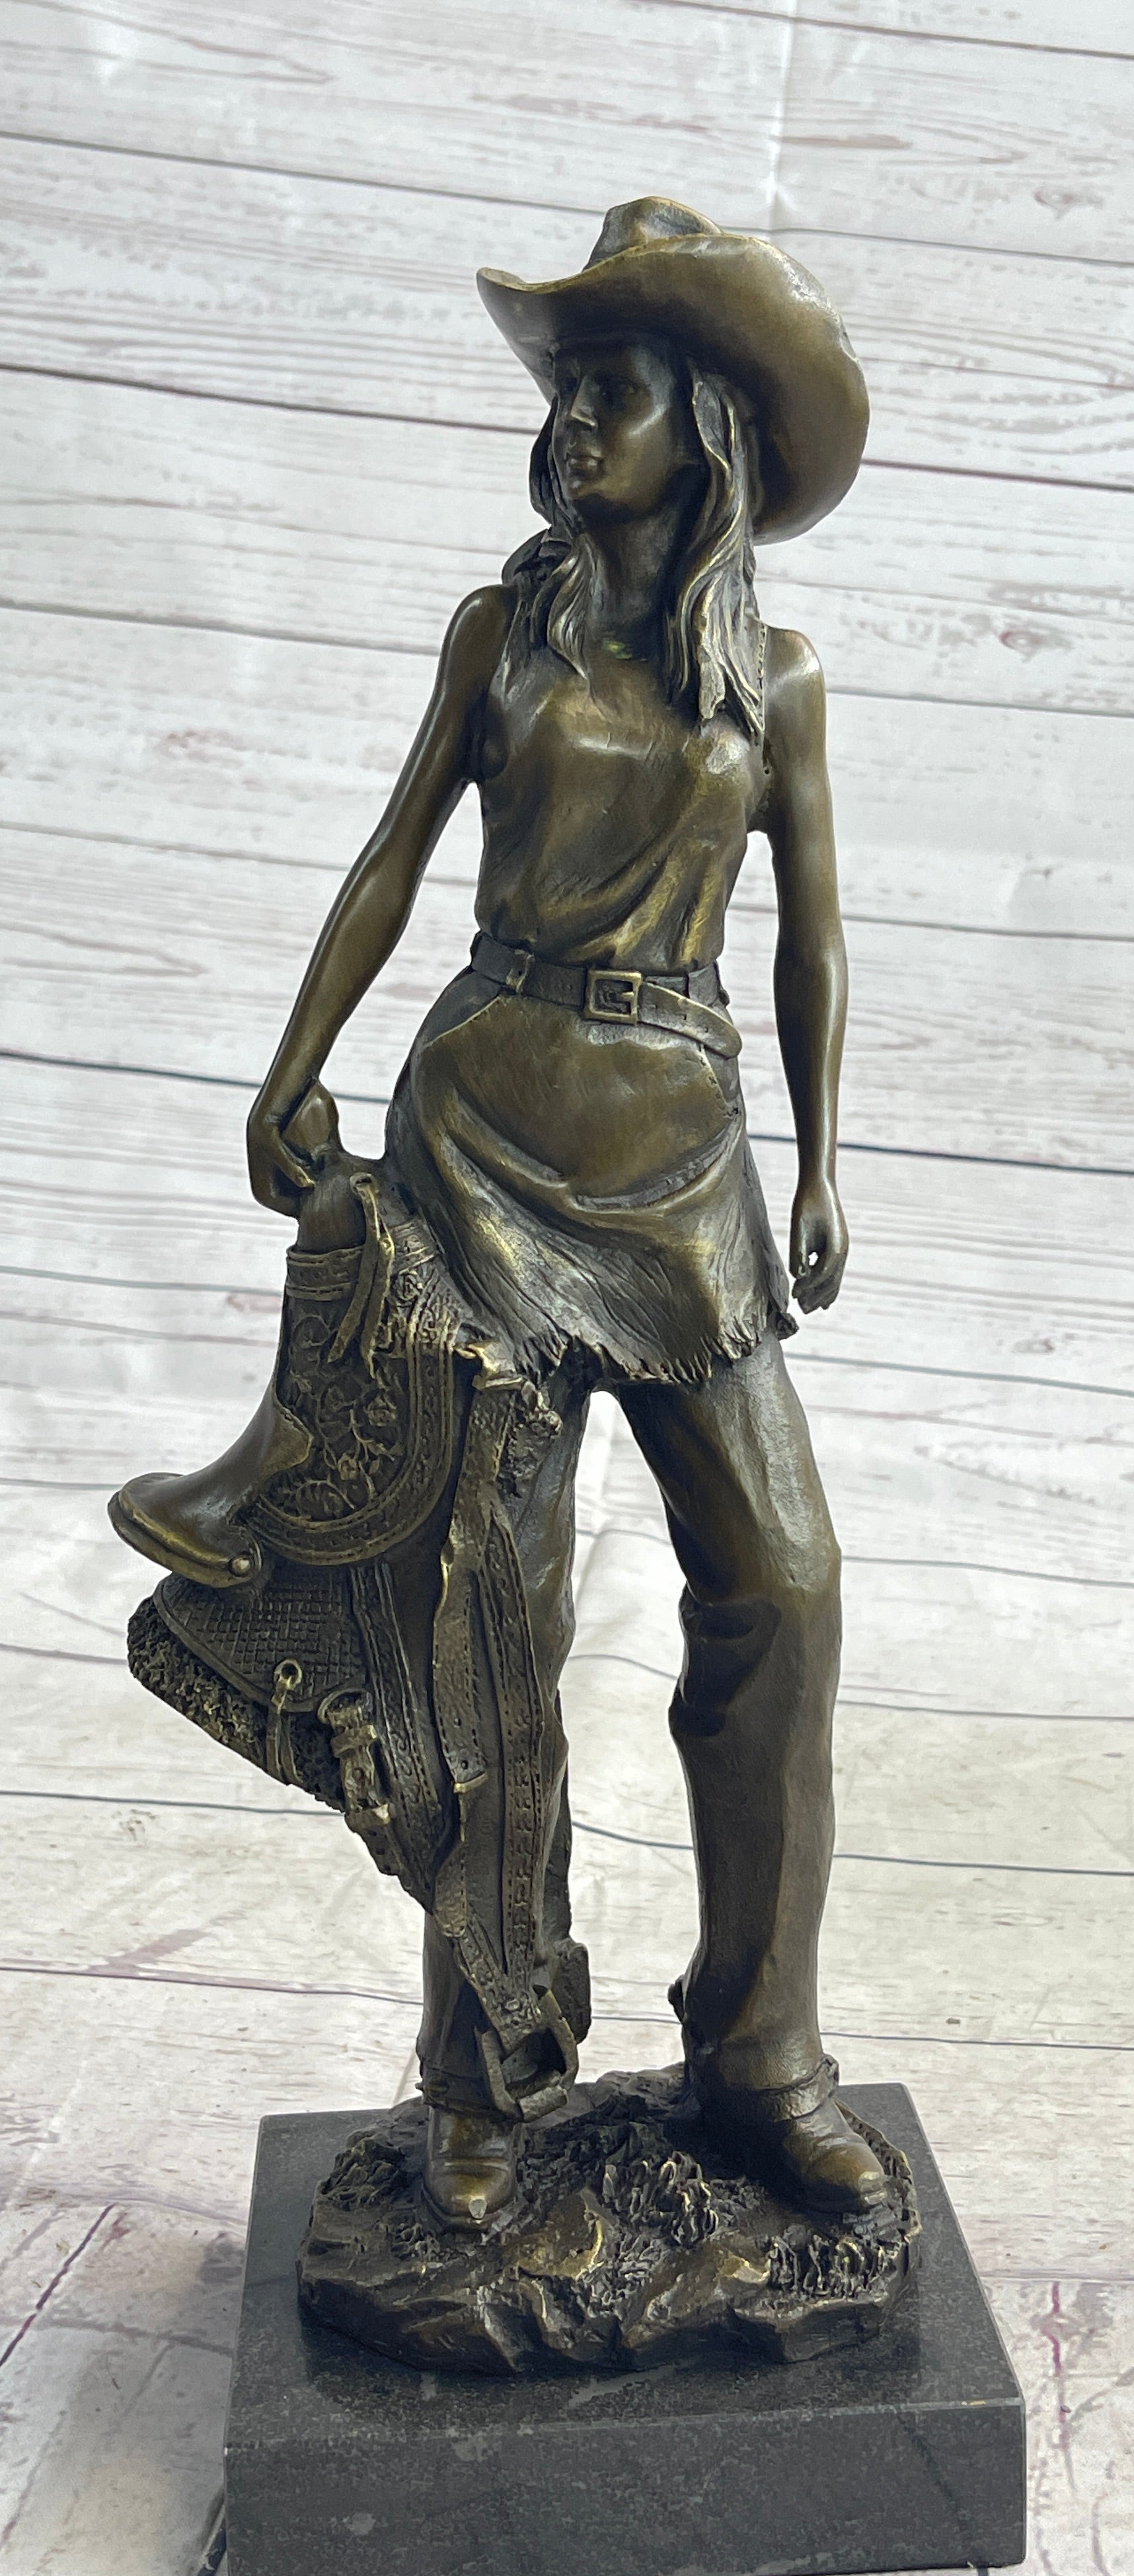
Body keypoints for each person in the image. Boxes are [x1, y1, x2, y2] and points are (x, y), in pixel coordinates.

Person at [114, 199, 887, 2231]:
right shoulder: (501, 631)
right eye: (562, 396)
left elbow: (811, 938)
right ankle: (484, 2074)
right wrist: (295, 1061)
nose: (569, 427)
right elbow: (393, 855)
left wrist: (823, 1157)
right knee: (485, 1620)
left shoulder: (776, 679)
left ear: (703, 429)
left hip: (681, 1157)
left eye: (608, 393)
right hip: (475, 1133)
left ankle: (759, 2051)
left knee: (785, 1588)